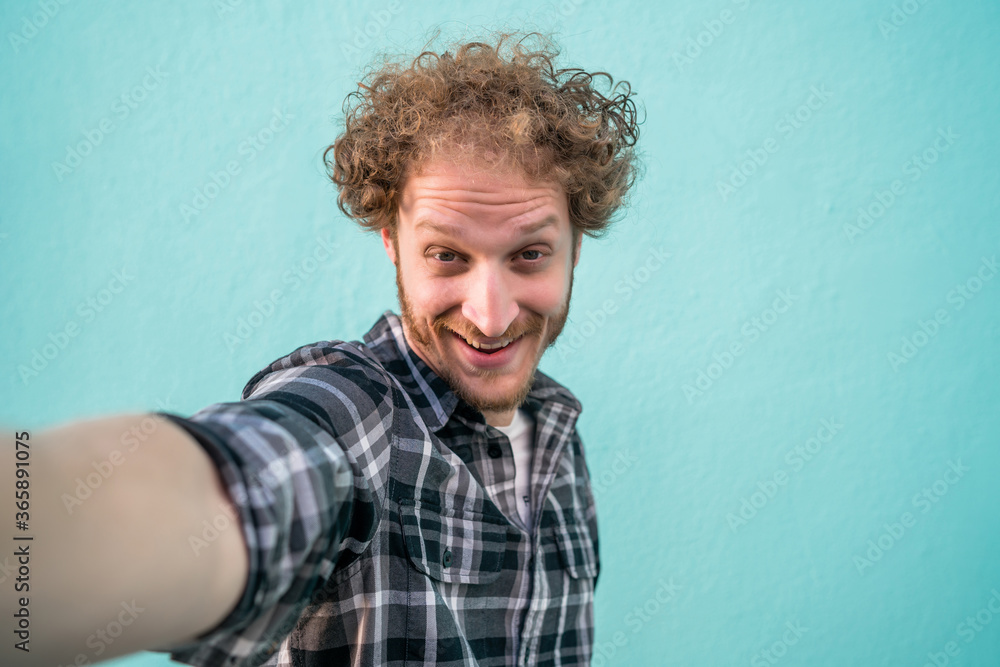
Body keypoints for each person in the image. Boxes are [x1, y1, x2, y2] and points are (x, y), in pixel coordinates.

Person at [1, 30, 640, 667]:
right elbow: (242, 483)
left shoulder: (559, 436)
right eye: (447, 255)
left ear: (575, 249)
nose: (492, 315)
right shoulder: (354, 411)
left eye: (530, 254)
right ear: (393, 244)